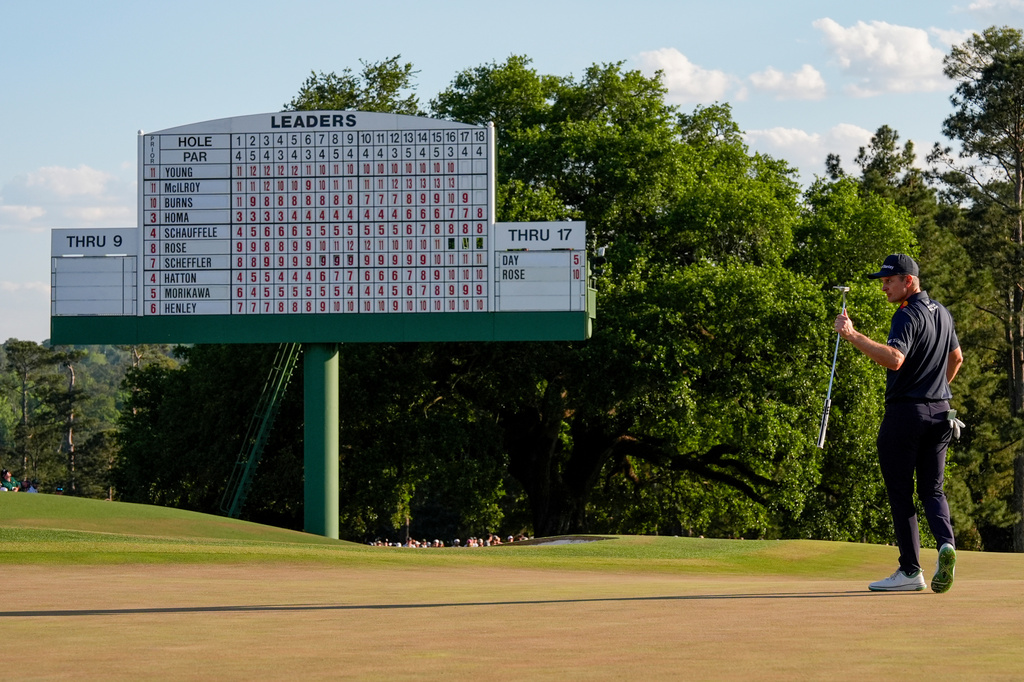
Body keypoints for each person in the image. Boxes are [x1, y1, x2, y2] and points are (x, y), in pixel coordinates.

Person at [834, 254, 962, 593]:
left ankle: (910, 571)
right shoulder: (943, 313)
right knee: (933, 489)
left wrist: (852, 335)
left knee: (901, 493)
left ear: (909, 280)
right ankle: (946, 544)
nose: (884, 286)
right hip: (941, 413)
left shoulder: (906, 315)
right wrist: (938, 391)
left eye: (889, 280)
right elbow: (957, 358)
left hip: (907, 414)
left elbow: (894, 359)